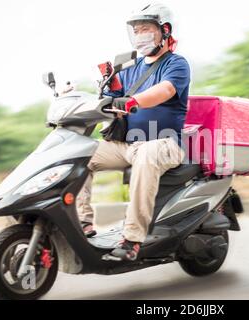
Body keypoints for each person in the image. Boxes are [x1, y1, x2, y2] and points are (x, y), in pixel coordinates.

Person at [76, 2, 191, 261]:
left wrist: (134, 100)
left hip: (164, 144)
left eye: (146, 29)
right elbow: (109, 101)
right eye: (136, 30)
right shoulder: (129, 68)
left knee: (147, 154)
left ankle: (132, 239)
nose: (140, 35)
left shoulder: (176, 63)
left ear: (164, 30)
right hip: (125, 145)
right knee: (80, 153)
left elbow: (165, 91)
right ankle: (82, 222)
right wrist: (105, 87)